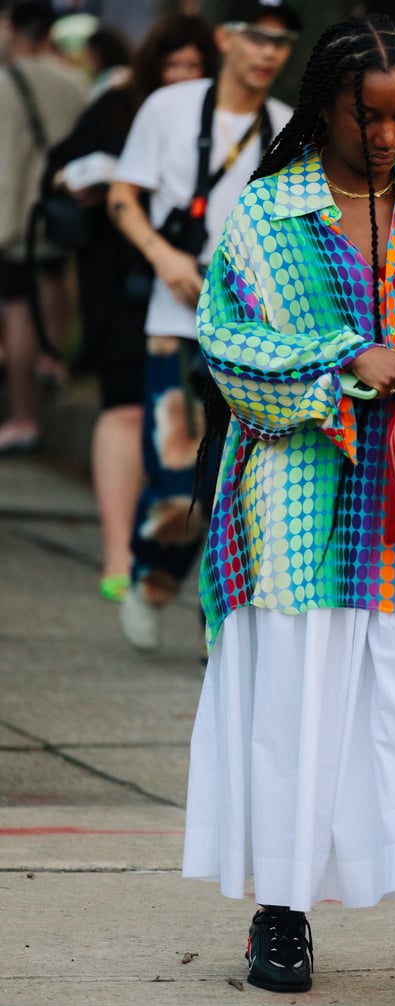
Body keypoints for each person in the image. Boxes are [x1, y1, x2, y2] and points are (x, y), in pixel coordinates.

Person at [183, 14, 395, 1006]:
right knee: (298, 714)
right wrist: (338, 361)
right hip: (294, 507)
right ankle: (282, 910)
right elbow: (223, 344)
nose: (384, 136)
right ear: (324, 103)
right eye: (362, 114)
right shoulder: (265, 212)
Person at [107, 0, 299, 649]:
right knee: (173, 470)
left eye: (279, 40)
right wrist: (163, 257)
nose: (266, 51)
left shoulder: (289, 126)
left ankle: (218, 617)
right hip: (175, 319)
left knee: (236, 477)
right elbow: (122, 196)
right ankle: (152, 579)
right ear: (225, 38)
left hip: (253, 333)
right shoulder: (171, 107)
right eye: (255, 37)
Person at [45, 13, 220, 603]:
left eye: (196, 67)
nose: (184, 78)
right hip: (121, 283)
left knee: (192, 441)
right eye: (173, 66)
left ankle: (175, 560)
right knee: (123, 410)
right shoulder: (121, 107)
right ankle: (120, 552)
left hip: (197, 294)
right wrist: (88, 178)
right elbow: (59, 166)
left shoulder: (234, 120)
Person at [0, 0, 87, 454]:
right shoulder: (73, 82)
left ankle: (23, 416)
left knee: (16, 307)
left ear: (14, 28)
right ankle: (53, 362)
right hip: (59, 208)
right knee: (56, 280)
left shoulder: (4, 82)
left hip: (13, 213)